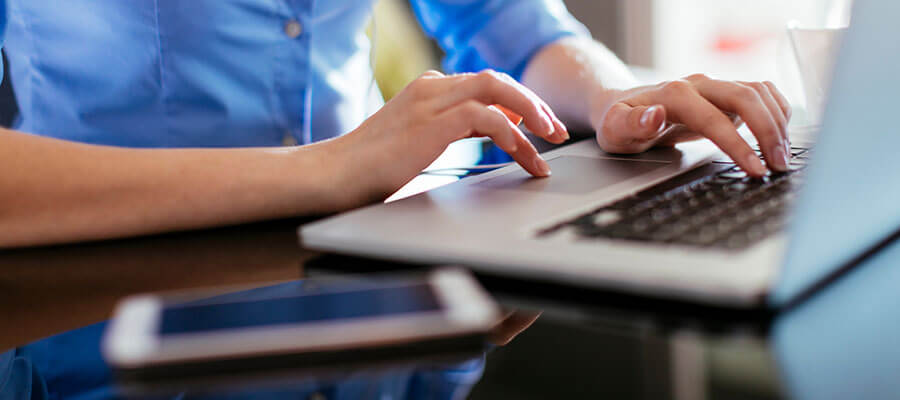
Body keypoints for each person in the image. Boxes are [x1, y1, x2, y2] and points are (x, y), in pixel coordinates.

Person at [0, 0, 791, 248]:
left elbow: (507, 22)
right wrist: (332, 168)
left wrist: (620, 101)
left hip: (353, 260)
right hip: (96, 287)